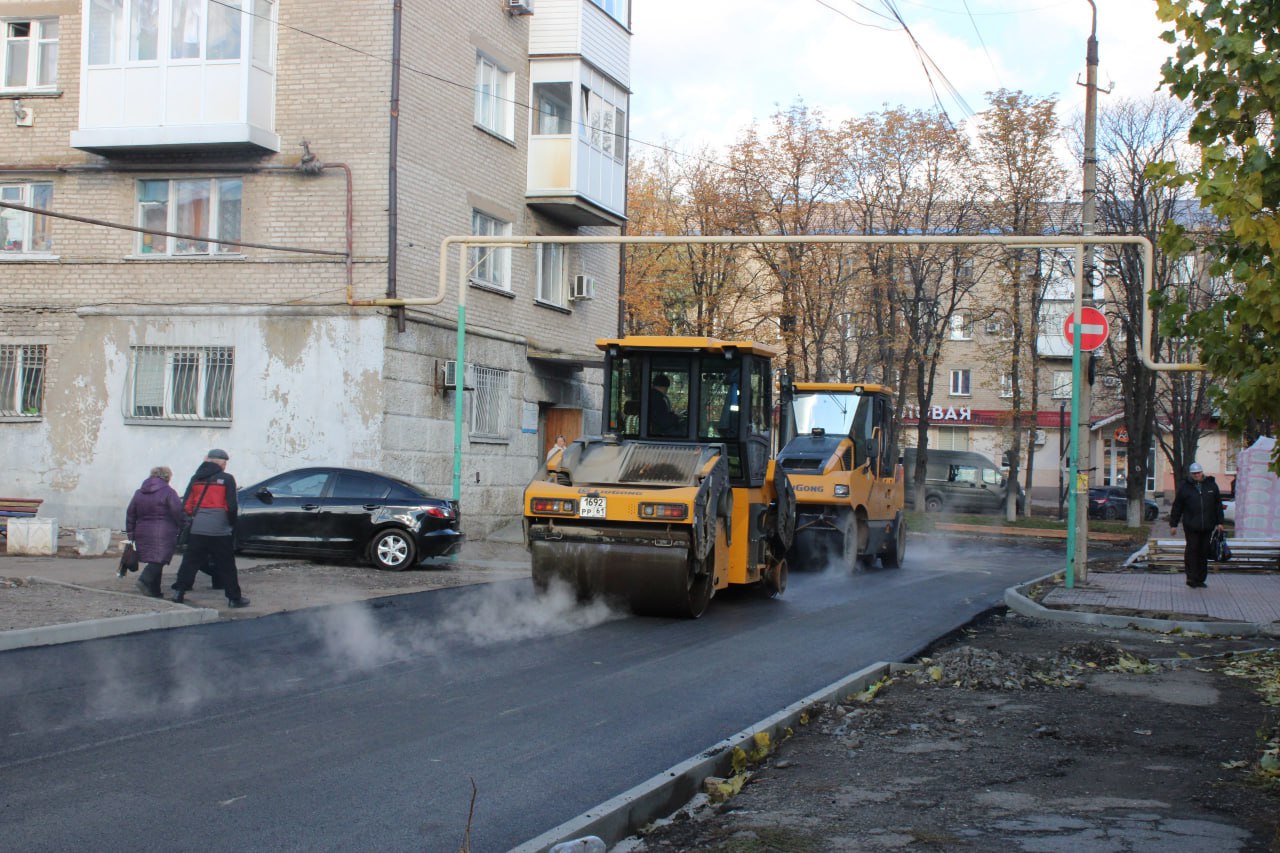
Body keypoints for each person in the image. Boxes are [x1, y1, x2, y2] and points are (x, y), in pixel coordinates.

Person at [171, 449, 249, 607]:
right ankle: (234, 598)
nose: (225, 465)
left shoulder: (196, 478)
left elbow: (187, 504)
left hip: (198, 527)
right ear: (219, 462)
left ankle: (179, 592)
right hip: (220, 528)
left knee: (190, 562)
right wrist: (231, 523)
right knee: (227, 564)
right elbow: (232, 506)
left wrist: (194, 519)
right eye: (225, 462)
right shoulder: (227, 479)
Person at [125, 466, 186, 597]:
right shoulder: (169, 492)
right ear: (167, 477)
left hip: (142, 531)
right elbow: (178, 512)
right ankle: (144, 580)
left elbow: (131, 514)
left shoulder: (139, 492)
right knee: (159, 560)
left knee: (155, 559)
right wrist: (184, 525)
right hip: (163, 532)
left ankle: (154, 591)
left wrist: (131, 533)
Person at [1169, 461, 1225, 589]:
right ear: (1191, 474)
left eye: (1198, 473)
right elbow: (1177, 506)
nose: (1196, 475)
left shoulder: (1211, 485)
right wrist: (1174, 524)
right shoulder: (1185, 487)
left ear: (1202, 472)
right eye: (1194, 473)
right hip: (1191, 525)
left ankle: (1200, 579)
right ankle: (1191, 578)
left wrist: (1220, 522)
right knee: (1192, 550)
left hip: (1207, 526)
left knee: (1203, 552)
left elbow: (1217, 505)